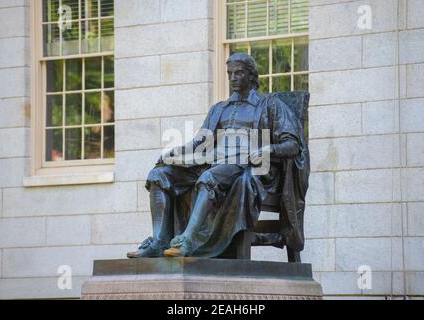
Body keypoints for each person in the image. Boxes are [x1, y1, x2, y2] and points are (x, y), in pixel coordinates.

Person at [127, 53, 309, 258]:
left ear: (251, 76)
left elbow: (293, 145)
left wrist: (267, 150)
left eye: (238, 73)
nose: (233, 78)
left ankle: (187, 241)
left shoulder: (271, 105)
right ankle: (159, 241)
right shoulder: (219, 109)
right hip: (211, 162)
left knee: (209, 178)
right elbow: (199, 141)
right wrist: (175, 152)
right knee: (159, 175)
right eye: (230, 73)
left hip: (247, 166)